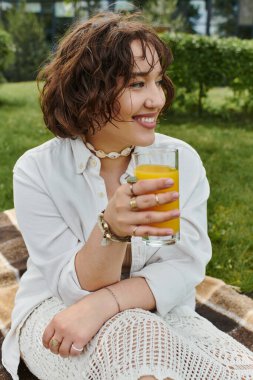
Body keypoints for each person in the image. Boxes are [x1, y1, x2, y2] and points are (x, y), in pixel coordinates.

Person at [2, 11, 253, 380]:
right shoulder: (37, 170)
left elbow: (185, 265)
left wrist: (109, 302)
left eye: (158, 81)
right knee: (137, 340)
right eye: (137, 84)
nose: (157, 99)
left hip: (162, 310)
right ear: (88, 90)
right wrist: (112, 229)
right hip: (60, 313)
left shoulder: (179, 161)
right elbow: (71, 287)